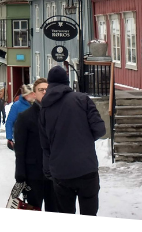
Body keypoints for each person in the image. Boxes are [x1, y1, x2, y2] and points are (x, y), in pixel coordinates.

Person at [39, 66, 106, 221]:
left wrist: (48, 169)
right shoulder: (83, 100)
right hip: (86, 168)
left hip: (60, 172)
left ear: (49, 84)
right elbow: (100, 129)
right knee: (89, 216)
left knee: (65, 215)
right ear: (67, 82)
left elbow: (45, 144)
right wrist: (85, 139)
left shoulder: (45, 108)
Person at [13, 78, 58, 220]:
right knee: (32, 214)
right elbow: (20, 150)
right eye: (41, 90)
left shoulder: (58, 115)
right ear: (34, 93)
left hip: (55, 174)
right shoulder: (25, 117)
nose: (44, 92)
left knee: (54, 212)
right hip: (34, 174)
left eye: (47, 90)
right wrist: (20, 176)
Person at [6, 84, 34, 150]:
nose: (34, 95)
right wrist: (9, 138)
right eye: (31, 93)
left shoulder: (37, 104)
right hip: (21, 138)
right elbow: (9, 122)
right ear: (26, 95)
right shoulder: (17, 105)